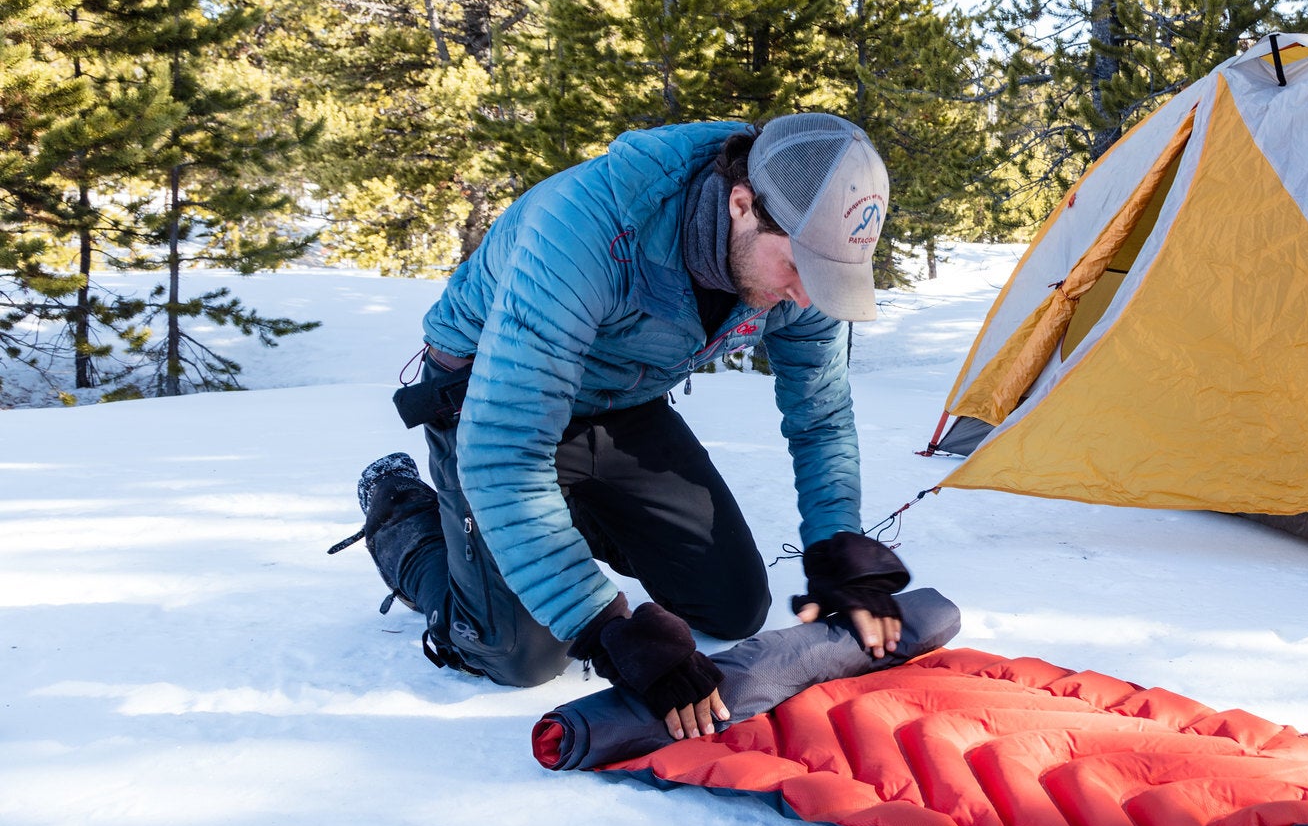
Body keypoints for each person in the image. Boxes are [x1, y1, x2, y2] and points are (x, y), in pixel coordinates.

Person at [332, 113, 913, 742]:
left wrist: (839, 548)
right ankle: (406, 515)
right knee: (523, 654)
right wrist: (606, 625)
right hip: (489, 402)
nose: (807, 296)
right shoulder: (589, 226)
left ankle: (546, 527)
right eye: (801, 267)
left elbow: (820, 415)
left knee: (732, 607)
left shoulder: (803, 270)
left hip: (620, 400)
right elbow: (506, 452)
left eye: (830, 275)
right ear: (742, 205)